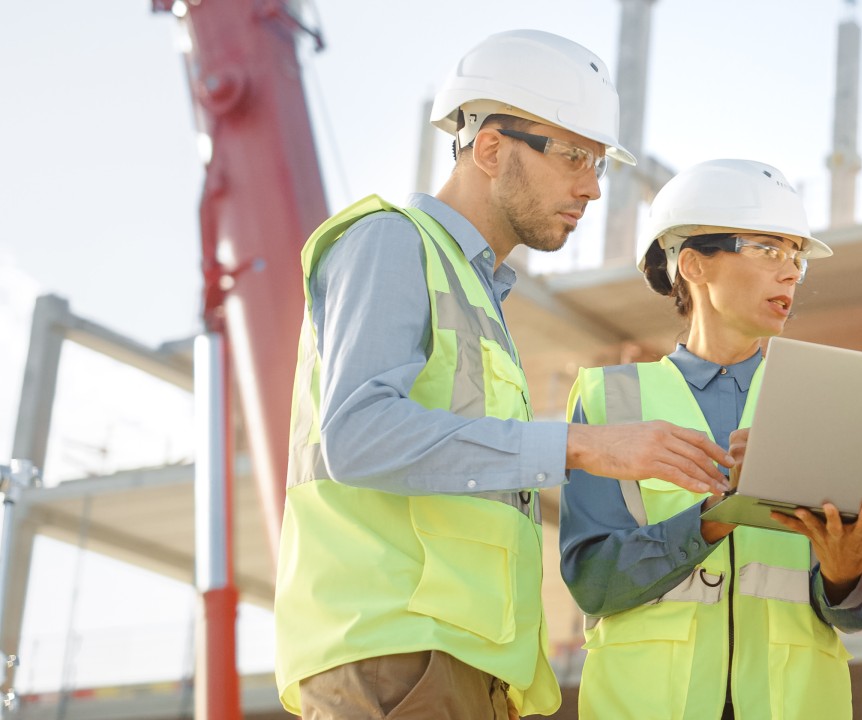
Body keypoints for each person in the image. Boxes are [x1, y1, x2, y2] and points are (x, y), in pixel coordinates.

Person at [273, 30, 736, 719]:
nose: (592, 187)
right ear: (491, 148)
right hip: (396, 659)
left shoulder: (476, 291)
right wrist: (579, 447)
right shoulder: (392, 242)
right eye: (576, 155)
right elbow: (358, 435)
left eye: (600, 163)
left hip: (462, 667)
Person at [560, 159, 862, 720]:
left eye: (797, 257)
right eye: (769, 249)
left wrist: (844, 571)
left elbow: (854, 612)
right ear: (694, 265)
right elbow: (593, 583)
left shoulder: (825, 401)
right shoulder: (611, 400)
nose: (791, 272)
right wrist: (715, 517)